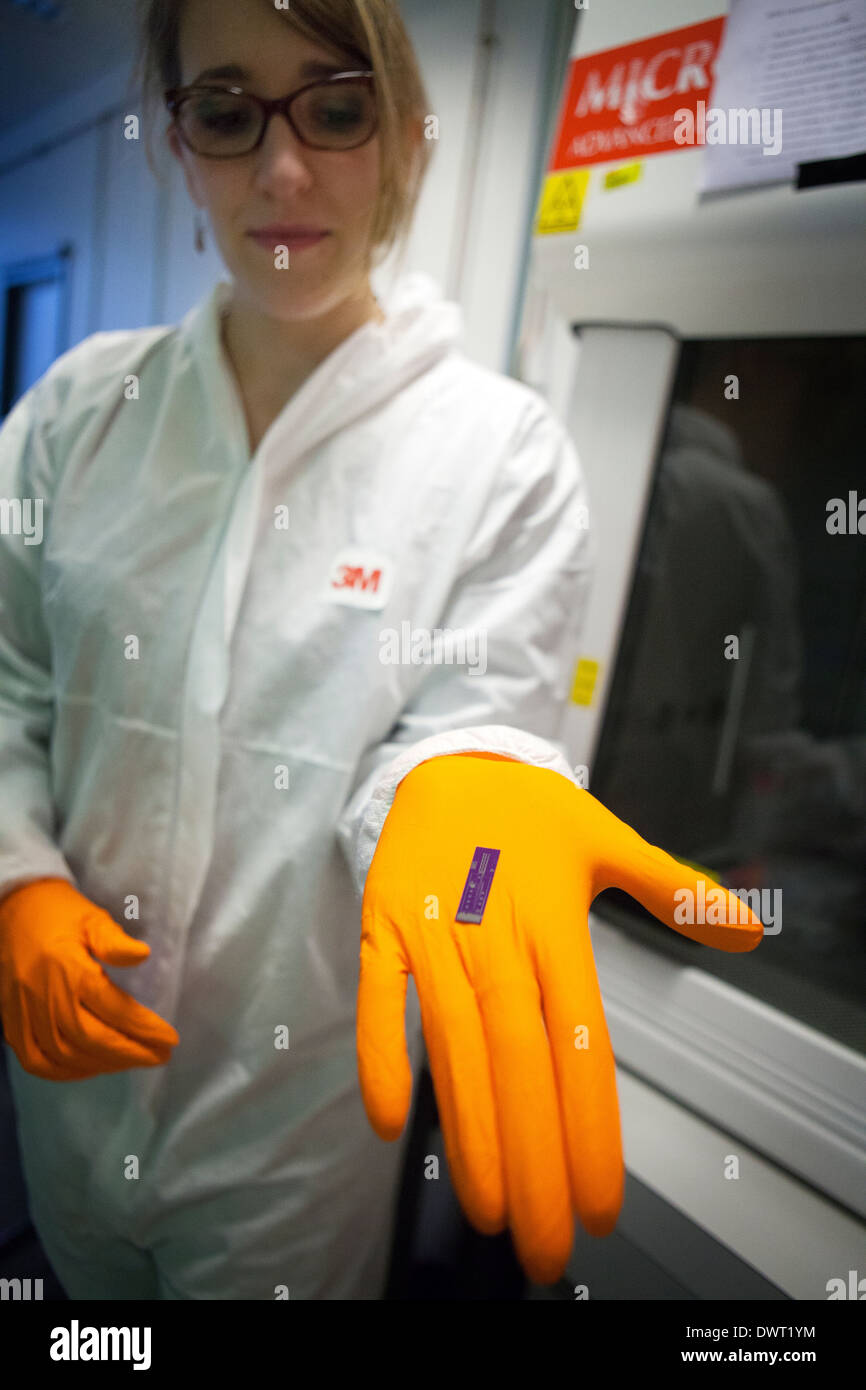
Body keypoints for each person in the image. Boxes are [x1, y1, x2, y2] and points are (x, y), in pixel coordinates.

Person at [0, 0, 762, 1300]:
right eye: (228, 113)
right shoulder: (77, 414)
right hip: (67, 1107)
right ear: (178, 143)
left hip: (290, 1145)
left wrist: (459, 776)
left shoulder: (497, 452)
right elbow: (7, 681)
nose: (283, 171)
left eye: (335, 107)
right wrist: (16, 874)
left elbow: (462, 726)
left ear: (405, 138)